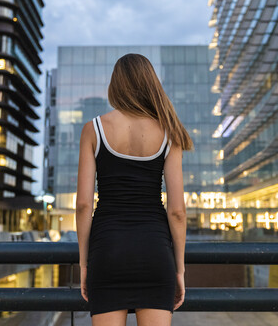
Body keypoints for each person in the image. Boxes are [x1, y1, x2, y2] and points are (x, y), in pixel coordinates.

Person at [76, 53, 194, 326]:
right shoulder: (169, 132)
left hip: (107, 250)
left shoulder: (93, 129)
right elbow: (177, 211)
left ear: (115, 86)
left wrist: (84, 264)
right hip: (155, 251)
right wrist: (179, 268)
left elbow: (83, 205)